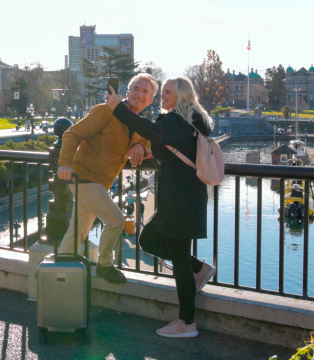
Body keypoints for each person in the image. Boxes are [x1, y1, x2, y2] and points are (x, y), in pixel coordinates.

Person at [105, 77, 217, 338]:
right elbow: (172, 146)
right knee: (149, 240)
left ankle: (187, 323)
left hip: (181, 199)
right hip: (183, 198)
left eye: (167, 92)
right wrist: (146, 152)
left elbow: (151, 131)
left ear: (180, 95)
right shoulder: (188, 119)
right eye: (162, 92)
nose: (163, 96)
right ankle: (199, 269)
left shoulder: (178, 119)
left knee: (178, 261)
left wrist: (118, 109)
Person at [57, 73, 156, 284]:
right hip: (84, 178)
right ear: (127, 93)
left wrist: (140, 145)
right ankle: (104, 265)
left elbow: (149, 142)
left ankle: (58, 275)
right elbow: (71, 133)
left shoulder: (139, 124)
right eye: (136, 89)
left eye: (145, 92)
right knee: (116, 220)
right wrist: (64, 163)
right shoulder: (106, 111)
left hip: (98, 183)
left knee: (79, 230)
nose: (139, 94)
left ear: (150, 100)